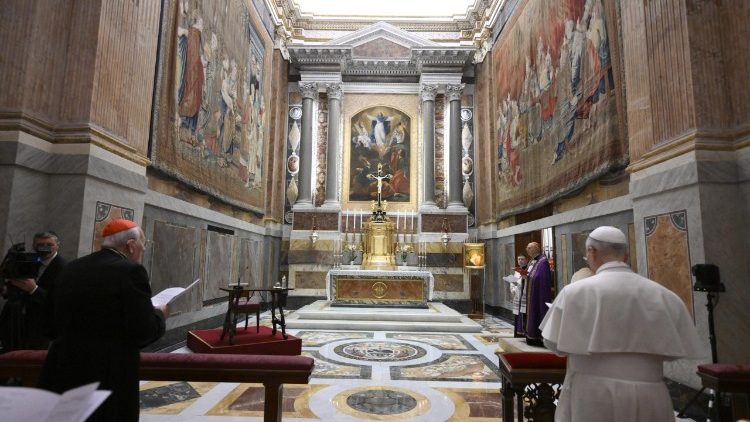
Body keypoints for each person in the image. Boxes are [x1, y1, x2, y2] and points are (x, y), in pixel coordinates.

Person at [540, 226, 707, 422]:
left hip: (592, 395)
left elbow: (553, 343)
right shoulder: (663, 295)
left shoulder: (574, 293)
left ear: (592, 252)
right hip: (650, 395)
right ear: (626, 256)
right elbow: (676, 351)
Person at [39, 219, 168, 422]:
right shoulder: (131, 271)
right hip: (108, 375)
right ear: (130, 245)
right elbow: (143, 332)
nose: (144, 248)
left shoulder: (70, 267)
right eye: (143, 243)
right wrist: (160, 314)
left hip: (63, 369)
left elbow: (48, 324)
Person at [0, 231, 66, 352]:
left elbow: (59, 301)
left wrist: (34, 289)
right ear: (34, 246)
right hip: (15, 322)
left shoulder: (64, 267)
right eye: (40, 244)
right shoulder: (27, 260)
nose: (44, 248)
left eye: (49, 244)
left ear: (57, 245)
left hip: (41, 328)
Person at [524, 241, 552, 346]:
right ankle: (531, 335)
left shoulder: (543, 261)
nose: (527, 249)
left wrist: (529, 276)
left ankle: (537, 337)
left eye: (529, 247)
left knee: (538, 312)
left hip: (539, 294)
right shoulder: (533, 260)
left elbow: (541, 276)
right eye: (527, 247)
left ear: (536, 248)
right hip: (533, 292)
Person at [508, 255, 528, 337]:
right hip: (517, 294)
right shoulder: (517, 271)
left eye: (522, 259)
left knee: (522, 314)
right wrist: (513, 288)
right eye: (519, 259)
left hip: (524, 294)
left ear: (526, 260)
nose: (520, 261)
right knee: (517, 315)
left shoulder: (528, 269)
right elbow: (513, 281)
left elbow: (528, 280)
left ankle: (523, 332)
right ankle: (518, 332)